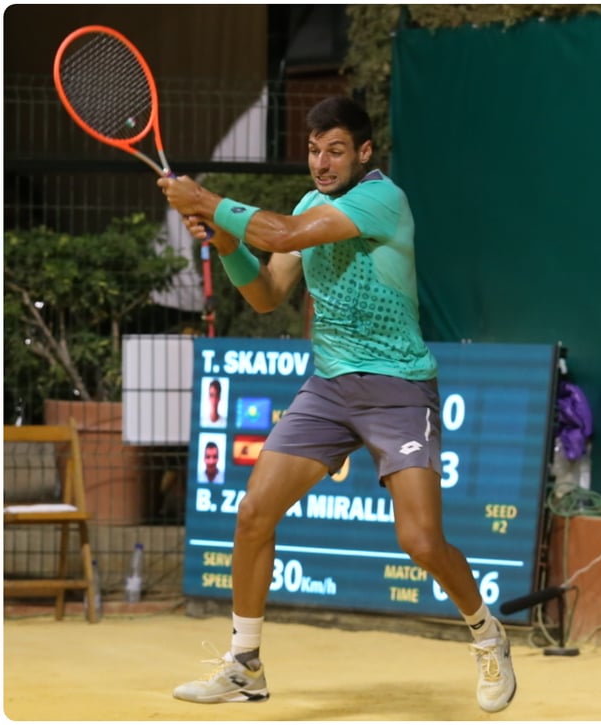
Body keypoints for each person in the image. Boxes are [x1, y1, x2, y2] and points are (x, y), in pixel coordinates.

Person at [158, 95, 516, 713]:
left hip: (397, 388)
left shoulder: (382, 200)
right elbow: (268, 293)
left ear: (365, 152)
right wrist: (222, 240)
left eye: (335, 150)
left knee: (422, 541)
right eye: (313, 150)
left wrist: (207, 202)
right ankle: (245, 663)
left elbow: (285, 233)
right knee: (253, 514)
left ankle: (488, 634)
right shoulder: (306, 202)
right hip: (328, 387)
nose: (321, 163)